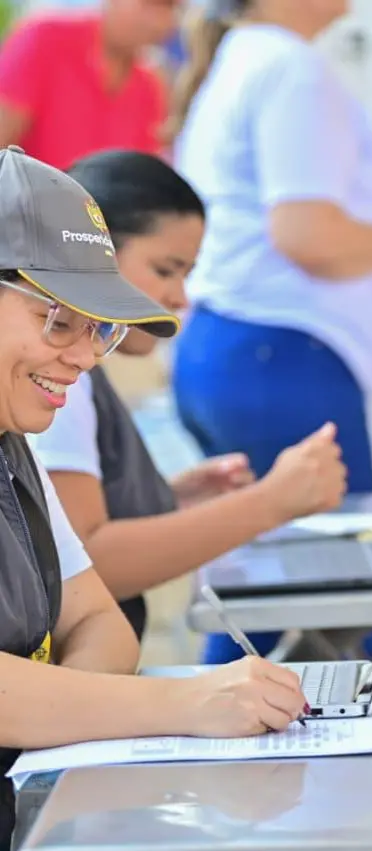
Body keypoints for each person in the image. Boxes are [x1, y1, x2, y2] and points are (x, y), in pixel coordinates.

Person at [0, 145, 306, 851]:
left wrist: (55, 716)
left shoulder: (16, 444)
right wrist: (185, 701)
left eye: (97, 329)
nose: (83, 357)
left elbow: (101, 621)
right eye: (57, 321)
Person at [169, 0, 372, 663]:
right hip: (281, 358)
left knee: (269, 601)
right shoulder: (288, 66)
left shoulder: (249, 57)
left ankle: (223, 727)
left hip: (248, 352)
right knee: (341, 603)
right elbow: (306, 235)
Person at [29, 150, 347, 643]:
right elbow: (87, 563)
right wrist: (270, 503)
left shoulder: (83, 373)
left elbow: (60, 525)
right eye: (165, 270)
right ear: (94, 254)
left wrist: (169, 498)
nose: (180, 297)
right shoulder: (57, 379)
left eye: (187, 274)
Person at [0, 0, 180, 170]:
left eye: (169, 6)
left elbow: (136, 176)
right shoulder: (44, 39)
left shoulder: (150, 87)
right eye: (150, 3)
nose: (156, 19)